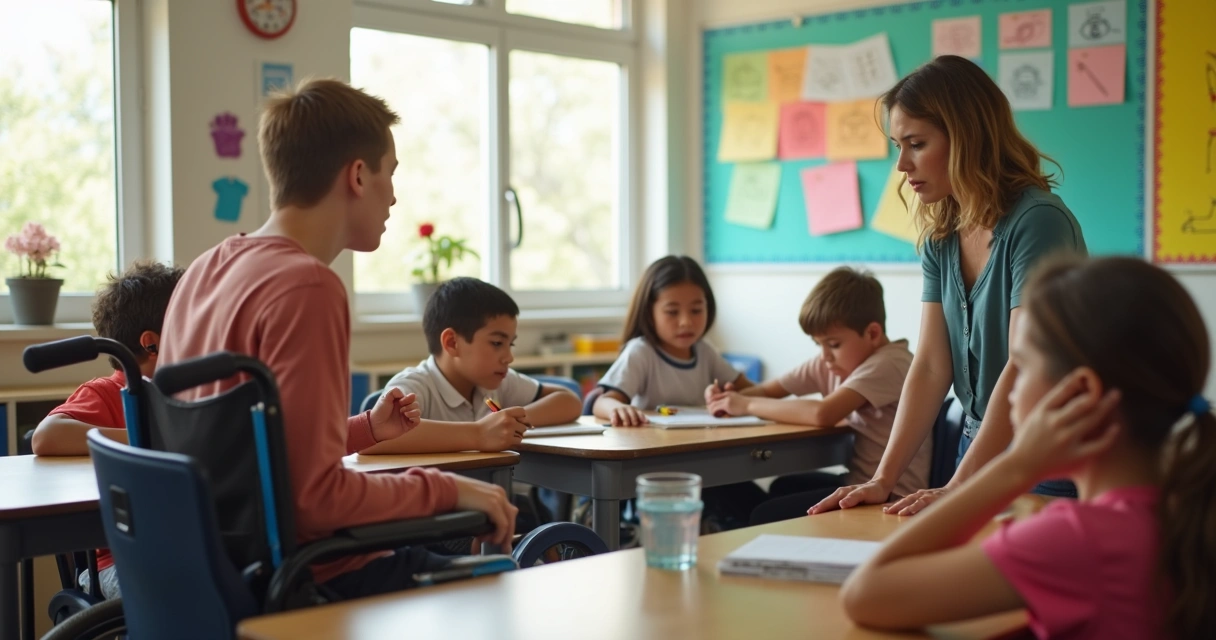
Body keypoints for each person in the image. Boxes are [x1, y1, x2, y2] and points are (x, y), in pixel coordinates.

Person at [158, 78, 517, 599]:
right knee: (509, 585)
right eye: (389, 173)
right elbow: (316, 499)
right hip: (311, 581)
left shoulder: (206, 269)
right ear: (356, 175)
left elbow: (239, 444)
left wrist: (366, 429)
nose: (393, 193)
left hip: (213, 579)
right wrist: (451, 488)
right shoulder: (307, 286)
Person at [841, 256, 1215, 640]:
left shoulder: (1080, 540)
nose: (1012, 390)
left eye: (1019, 365)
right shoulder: (1182, 511)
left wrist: (1016, 466)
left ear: (1080, 394)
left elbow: (865, 593)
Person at [813, 55, 1087, 517]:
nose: (902, 165)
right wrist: (884, 479)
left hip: (1047, 452)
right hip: (978, 447)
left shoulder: (1038, 223)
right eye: (898, 146)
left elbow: (1024, 363)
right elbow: (929, 367)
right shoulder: (941, 239)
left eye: (916, 144)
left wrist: (959, 486)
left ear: (967, 138)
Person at [705, 267, 928, 525]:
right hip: (856, 484)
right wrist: (726, 397)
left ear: (873, 334)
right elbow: (769, 390)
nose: (824, 356)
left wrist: (746, 404)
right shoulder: (834, 361)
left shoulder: (891, 362)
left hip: (892, 497)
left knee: (763, 515)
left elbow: (824, 413)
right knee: (781, 487)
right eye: (818, 344)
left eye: (833, 344)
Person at [31, 260, 184, 599]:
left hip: (189, 550)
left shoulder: (194, 395)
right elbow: (46, 436)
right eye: (192, 323)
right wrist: (147, 441)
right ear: (152, 343)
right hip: (121, 564)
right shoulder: (107, 393)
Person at [594, 255, 761, 529]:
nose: (686, 322)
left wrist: (740, 398)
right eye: (672, 312)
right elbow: (603, 400)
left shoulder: (705, 351)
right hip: (654, 471)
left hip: (704, 463)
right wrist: (618, 408)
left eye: (697, 310)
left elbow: (755, 393)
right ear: (649, 311)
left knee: (756, 509)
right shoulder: (641, 352)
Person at [361, 277, 581, 454]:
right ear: (452, 343)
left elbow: (569, 401)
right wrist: (479, 433)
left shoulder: (495, 380)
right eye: (497, 343)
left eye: (510, 344)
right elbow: (376, 438)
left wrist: (511, 421)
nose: (509, 357)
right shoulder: (415, 385)